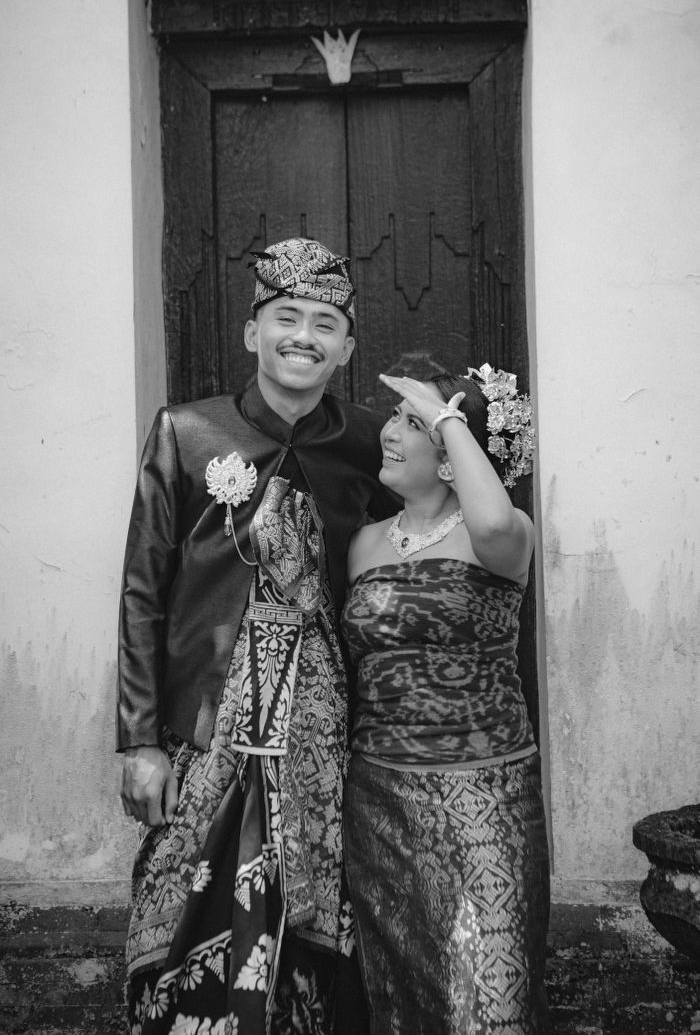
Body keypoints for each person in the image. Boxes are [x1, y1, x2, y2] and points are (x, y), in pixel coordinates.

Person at [117, 237, 395, 1035]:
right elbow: (143, 592)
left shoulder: (372, 443)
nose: (303, 336)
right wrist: (140, 740)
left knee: (323, 915)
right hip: (206, 728)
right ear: (252, 332)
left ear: (346, 348)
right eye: (285, 317)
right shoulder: (186, 432)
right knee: (186, 897)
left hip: (330, 738)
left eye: (324, 323)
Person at [341, 367, 550, 1034]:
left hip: (484, 796)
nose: (390, 432)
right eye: (396, 416)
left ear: (453, 455)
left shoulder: (502, 535)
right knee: (400, 995)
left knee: (489, 1003)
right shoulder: (364, 543)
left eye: (413, 423)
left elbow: (490, 516)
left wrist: (446, 416)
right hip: (378, 796)